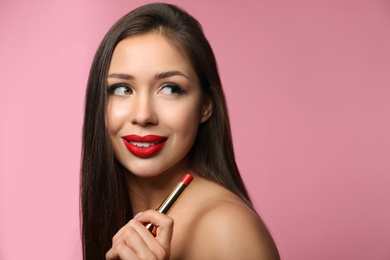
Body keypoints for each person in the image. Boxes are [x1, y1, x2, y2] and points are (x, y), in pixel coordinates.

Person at [81, 3, 279, 259]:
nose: (143, 116)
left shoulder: (226, 228)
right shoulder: (114, 211)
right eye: (122, 89)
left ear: (205, 106)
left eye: (171, 89)